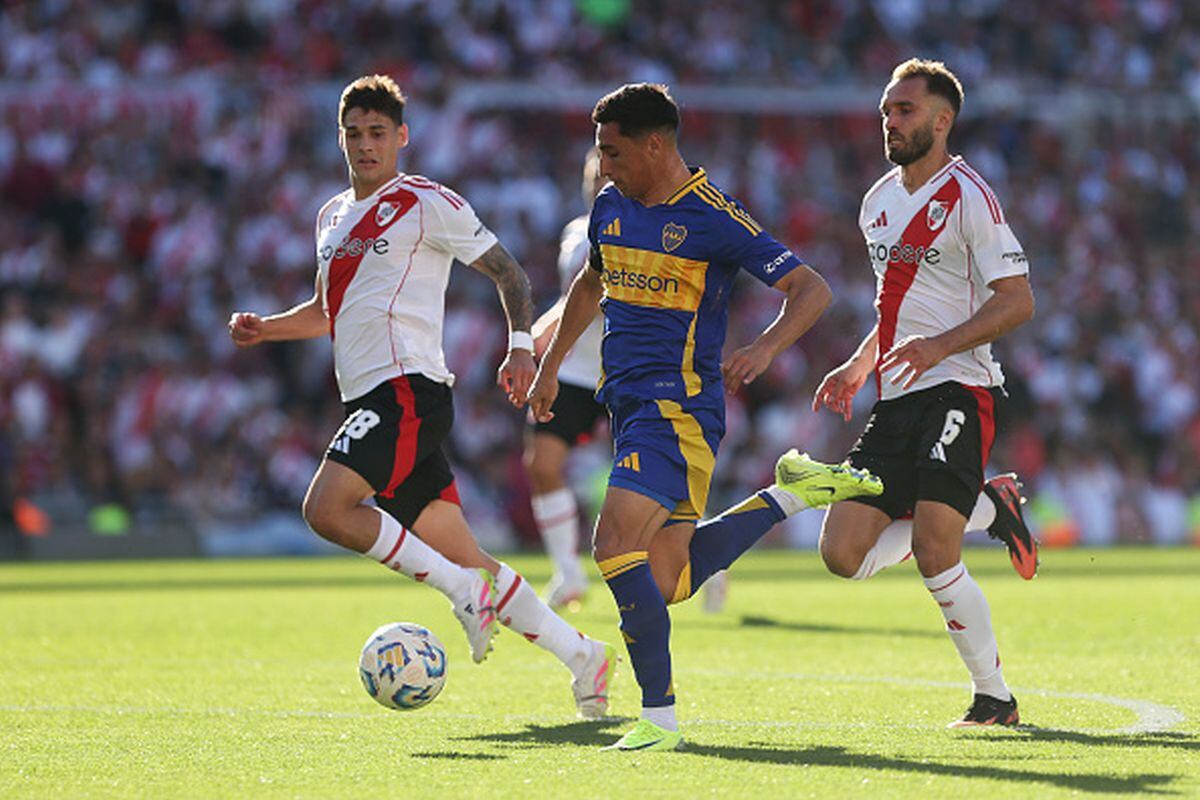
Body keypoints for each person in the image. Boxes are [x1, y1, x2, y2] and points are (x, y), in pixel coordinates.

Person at [228, 75, 614, 719]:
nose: (365, 145)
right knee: (470, 555)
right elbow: (328, 310)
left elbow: (508, 271)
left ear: (401, 137)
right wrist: (269, 327)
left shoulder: (424, 201)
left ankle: (464, 593)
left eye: (378, 133)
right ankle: (583, 656)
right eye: (353, 133)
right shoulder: (331, 216)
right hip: (371, 398)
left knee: (326, 508)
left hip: (407, 388)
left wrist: (523, 344)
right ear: (341, 138)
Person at [526, 83, 883, 751]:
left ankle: (658, 719)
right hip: (625, 404)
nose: (603, 166)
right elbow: (591, 282)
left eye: (613, 151)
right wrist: (549, 369)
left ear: (655, 145)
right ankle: (790, 494)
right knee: (667, 578)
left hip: (677, 407)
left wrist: (765, 348)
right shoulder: (612, 205)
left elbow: (812, 287)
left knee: (611, 545)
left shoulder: (713, 216)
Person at [812, 59, 1038, 728]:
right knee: (841, 555)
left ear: (942, 121)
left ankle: (994, 698)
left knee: (936, 553)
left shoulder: (971, 196)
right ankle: (988, 509)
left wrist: (942, 346)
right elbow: (894, 309)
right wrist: (860, 364)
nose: (890, 120)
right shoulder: (877, 201)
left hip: (960, 390)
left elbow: (1019, 300)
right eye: (886, 109)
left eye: (905, 110)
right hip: (897, 396)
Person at [523, 148, 607, 610]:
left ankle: (701, 556)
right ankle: (567, 572)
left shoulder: (645, 230)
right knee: (542, 462)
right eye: (595, 175)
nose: (599, 184)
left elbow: (599, 294)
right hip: (577, 369)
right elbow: (580, 291)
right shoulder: (577, 231)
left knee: (657, 476)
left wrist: (547, 329)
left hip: (626, 367)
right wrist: (548, 330)